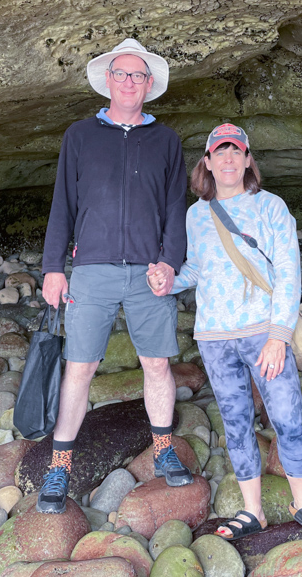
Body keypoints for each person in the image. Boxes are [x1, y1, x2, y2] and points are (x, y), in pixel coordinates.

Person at [148, 123, 302, 548]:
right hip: (215, 338)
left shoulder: (271, 207)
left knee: (288, 418)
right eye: (221, 152)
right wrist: (169, 281)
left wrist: (279, 335)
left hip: (261, 334)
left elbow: (289, 272)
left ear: (249, 160)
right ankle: (252, 510)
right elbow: (197, 269)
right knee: (236, 424)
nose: (229, 160)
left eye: (237, 152)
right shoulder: (197, 213)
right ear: (208, 163)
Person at [37, 38, 193, 514]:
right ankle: (59, 463)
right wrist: (52, 268)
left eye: (137, 76)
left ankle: (163, 450)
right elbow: (63, 203)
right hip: (92, 270)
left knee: (157, 364)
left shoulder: (165, 140)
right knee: (80, 367)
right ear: (109, 81)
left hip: (149, 272)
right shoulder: (80, 136)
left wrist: (170, 262)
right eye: (121, 74)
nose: (128, 82)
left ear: (149, 85)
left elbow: (175, 210)